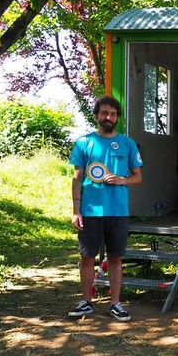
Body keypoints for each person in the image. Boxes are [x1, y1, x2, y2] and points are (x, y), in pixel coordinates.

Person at [68, 96, 143, 322]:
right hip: (90, 212)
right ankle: (86, 302)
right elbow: (77, 177)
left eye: (112, 114)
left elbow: (138, 177)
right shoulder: (84, 143)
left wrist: (122, 180)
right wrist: (76, 210)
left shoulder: (127, 143)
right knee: (87, 258)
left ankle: (115, 304)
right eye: (104, 113)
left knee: (115, 259)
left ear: (117, 117)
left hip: (118, 212)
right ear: (97, 115)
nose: (108, 117)